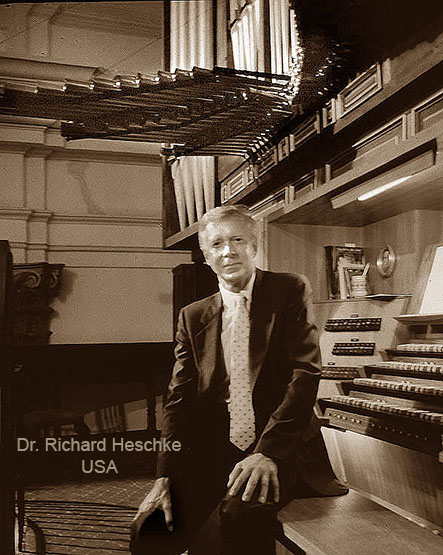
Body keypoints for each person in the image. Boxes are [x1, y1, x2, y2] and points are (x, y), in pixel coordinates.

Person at [131, 205, 347, 555]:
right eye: (217, 244)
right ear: (206, 256)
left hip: (279, 446)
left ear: (254, 246)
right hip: (214, 449)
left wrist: (267, 453)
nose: (228, 251)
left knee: (232, 523)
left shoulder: (289, 289)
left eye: (238, 240)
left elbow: (305, 374)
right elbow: (178, 400)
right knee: (150, 529)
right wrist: (165, 475)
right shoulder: (193, 316)